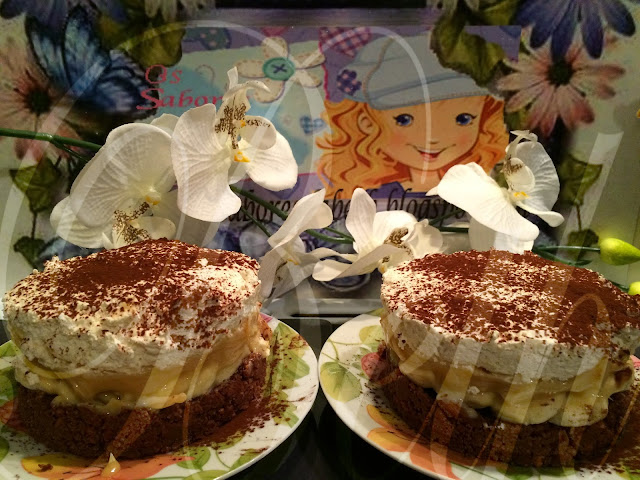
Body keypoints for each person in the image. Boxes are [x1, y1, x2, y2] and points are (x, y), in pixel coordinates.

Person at [317, 34, 508, 198]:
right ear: (367, 123)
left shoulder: (481, 189)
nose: (434, 137)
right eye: (404, 120)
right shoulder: (376, 195)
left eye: (463, 119)